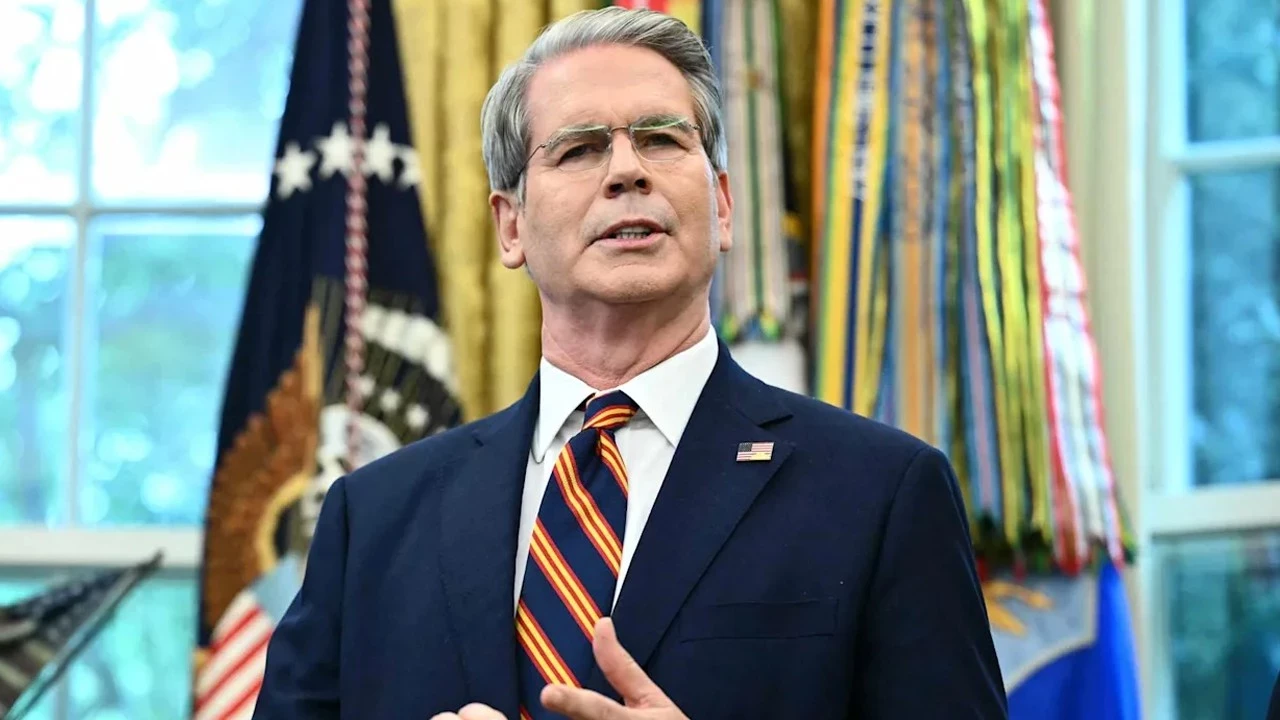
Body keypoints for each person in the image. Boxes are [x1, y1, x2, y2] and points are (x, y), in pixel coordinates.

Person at [252, 7, 1008, 719]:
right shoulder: (372, 519)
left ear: (722, 206)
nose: (625, 171)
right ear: (511, 227)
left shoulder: (881, 493)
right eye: (579, 150)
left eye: (661, 140)